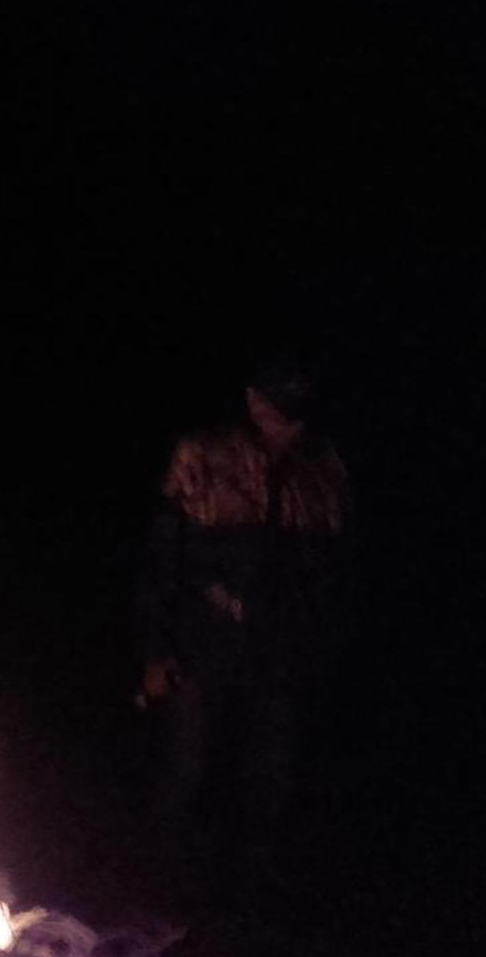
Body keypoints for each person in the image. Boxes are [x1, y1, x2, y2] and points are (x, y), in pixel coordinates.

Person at [137, 361, 350, 905]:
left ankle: (248, 900)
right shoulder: (204, 456)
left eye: (297, 412)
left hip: (280, 653)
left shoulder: (322, 466)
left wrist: (320, 645)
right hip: (202, 644)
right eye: (277, 407)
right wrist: (156, 654)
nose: (286, 423)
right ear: (254, 401)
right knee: (185, 772)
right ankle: (160, 896)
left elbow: (330, 568)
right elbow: (164, 559)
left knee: (270, 780)